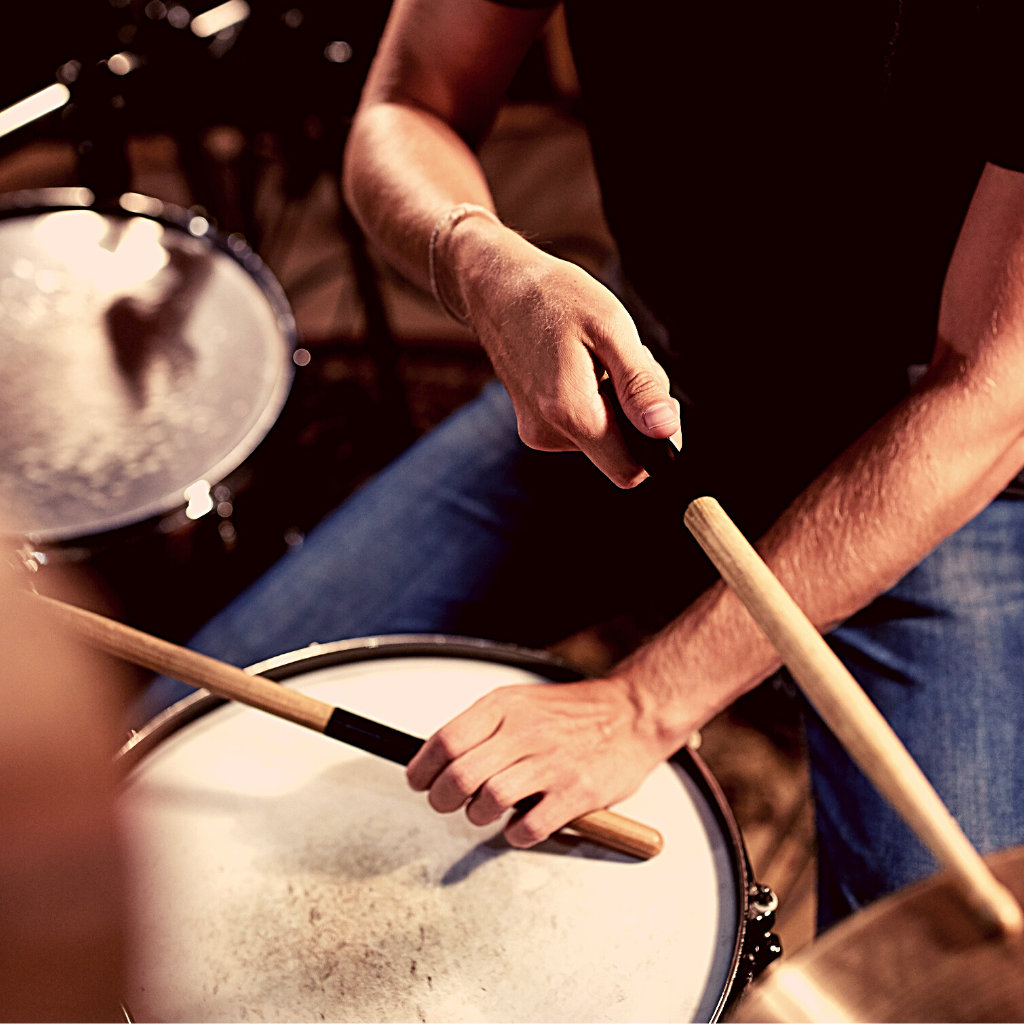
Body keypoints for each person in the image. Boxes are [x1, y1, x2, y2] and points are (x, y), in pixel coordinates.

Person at [139, 0, 1024, 931]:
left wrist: (642, 704)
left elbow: (991, 391)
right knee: (171, 744)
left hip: (933, 459)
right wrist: (478, 260)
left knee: (938, 964)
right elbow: (404, 107)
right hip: (641, 384)